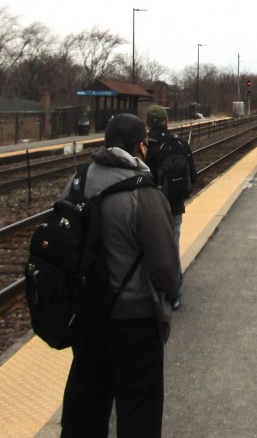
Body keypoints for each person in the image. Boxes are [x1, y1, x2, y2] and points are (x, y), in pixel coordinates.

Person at [60, 113, 181, 438]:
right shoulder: (145, 193)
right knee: (138, 411)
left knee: (85, 409)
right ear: (140, 146)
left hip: (87, 318)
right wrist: (167, 304)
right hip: (136, 323)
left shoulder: (78, 181)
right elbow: (168, 272)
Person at [144, 104, 197, 310]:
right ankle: (176, 294)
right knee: (172, 250)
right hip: (174, 207)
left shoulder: (145, 145)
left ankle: (153, 292)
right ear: (166, 121)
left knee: (149, 250)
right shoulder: (180, 143)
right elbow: (193, 175)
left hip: (150, 208)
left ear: (148, 122)